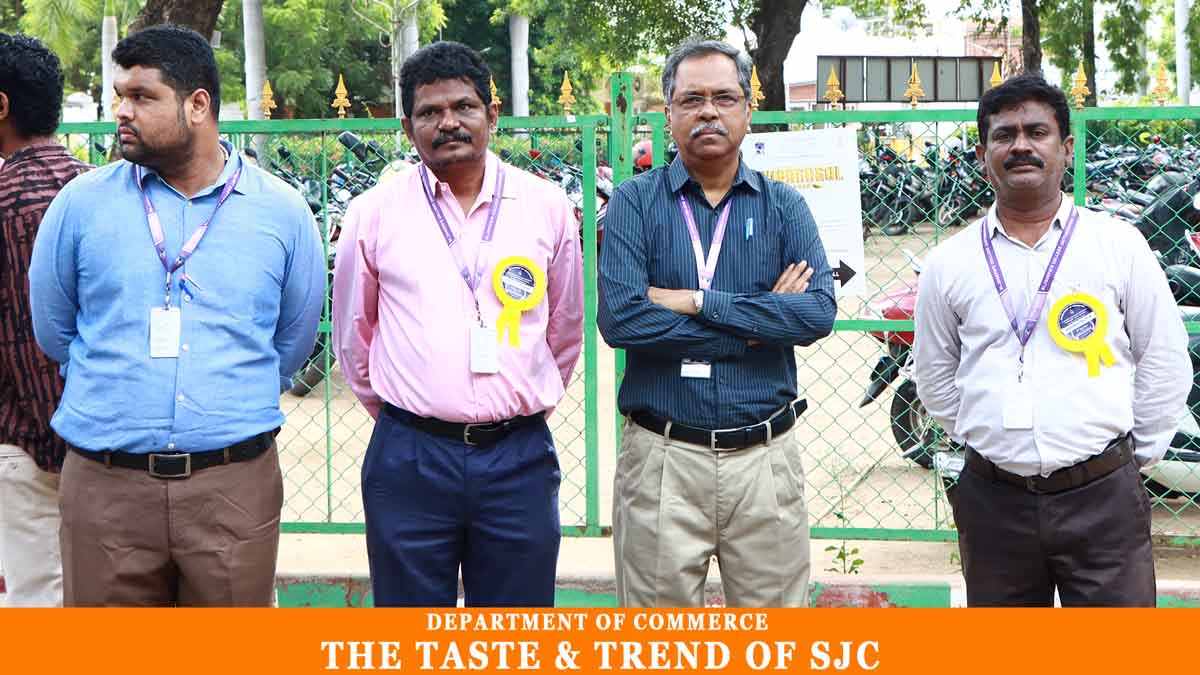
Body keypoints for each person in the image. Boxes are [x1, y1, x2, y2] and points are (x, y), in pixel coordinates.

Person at [28, 25, 324, 606]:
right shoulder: (80, 206)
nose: (122, 112)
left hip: (232, 490)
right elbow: (55, 330)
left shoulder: (282, 214)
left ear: (198, 105)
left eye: (142, 96)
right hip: (106, 491)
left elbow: (290, 344)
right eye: (120, 96)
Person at [914, 74, 1189, 607]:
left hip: (1104, 498)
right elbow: (934, 374)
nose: (1021, 145)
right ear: (983, 156)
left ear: (1066, 149)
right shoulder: (950, 262)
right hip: (994, 501)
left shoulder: (1118, 245)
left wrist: (1132, 461)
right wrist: (990, 440)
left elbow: (1163, 357)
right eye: (1004, 135)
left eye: (1037, 132)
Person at [331, 41, 583, 607]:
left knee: (515, 630)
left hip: (518, 456)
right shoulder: (374, 212)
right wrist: (409, 414)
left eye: (464, 107)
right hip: (410, 457)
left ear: (492, 114)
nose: (448, 123)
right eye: (429, 112)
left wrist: (514, 407)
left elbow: (564, 330)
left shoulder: (545, 206)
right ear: (407, 127)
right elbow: (354, 334)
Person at [598, 39, 836, 608]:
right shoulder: (634, 203)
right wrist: (757, 325)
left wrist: (697, 302)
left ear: (747, 111)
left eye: (725, 98)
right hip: (661, 459)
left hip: (764, 460)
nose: (709, 111)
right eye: (693, 99)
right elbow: (622, 320)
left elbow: (816, 313)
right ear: (669, 113)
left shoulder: (784, 206)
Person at [0, 33, 89, 607]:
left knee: (38, 606)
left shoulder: (7, 199)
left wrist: (55, 440)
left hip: (27, 446)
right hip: (111, 446)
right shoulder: (100, 188)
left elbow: (24, 340)